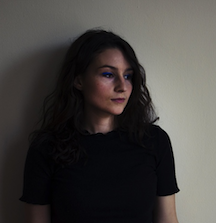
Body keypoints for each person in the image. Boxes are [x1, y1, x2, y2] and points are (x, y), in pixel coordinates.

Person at [20, 29, 180, 223]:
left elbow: (168, 219)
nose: (122, 86)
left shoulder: (154, 141)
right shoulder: (46, 148)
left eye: (128, 76)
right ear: (78, 80)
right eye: (108, 74)